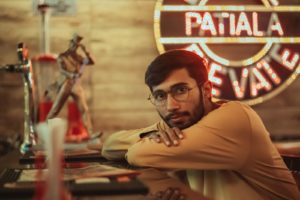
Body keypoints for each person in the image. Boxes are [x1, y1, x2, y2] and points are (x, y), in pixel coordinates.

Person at [101, 50, 300, 200]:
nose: (171, 106)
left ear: (206, 89)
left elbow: (139, 154)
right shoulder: (179, 125)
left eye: (181, 90)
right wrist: (152, 137)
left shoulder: (234, 118)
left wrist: (148, 143)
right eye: (160, 96)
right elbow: (110, 145)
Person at [45, 34, 95, 137]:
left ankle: (90, 133)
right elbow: (62, 70)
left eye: (77, 45)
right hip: (66, 83)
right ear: (70, 43)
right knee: (56, 108)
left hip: (76, 84)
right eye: (73, 44)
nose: (74, 46)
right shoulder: (62, 56)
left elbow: (91, 61)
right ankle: (46, 131)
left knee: (84, 109)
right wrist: (71, 74)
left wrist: (86, 51)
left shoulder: (78, 57)